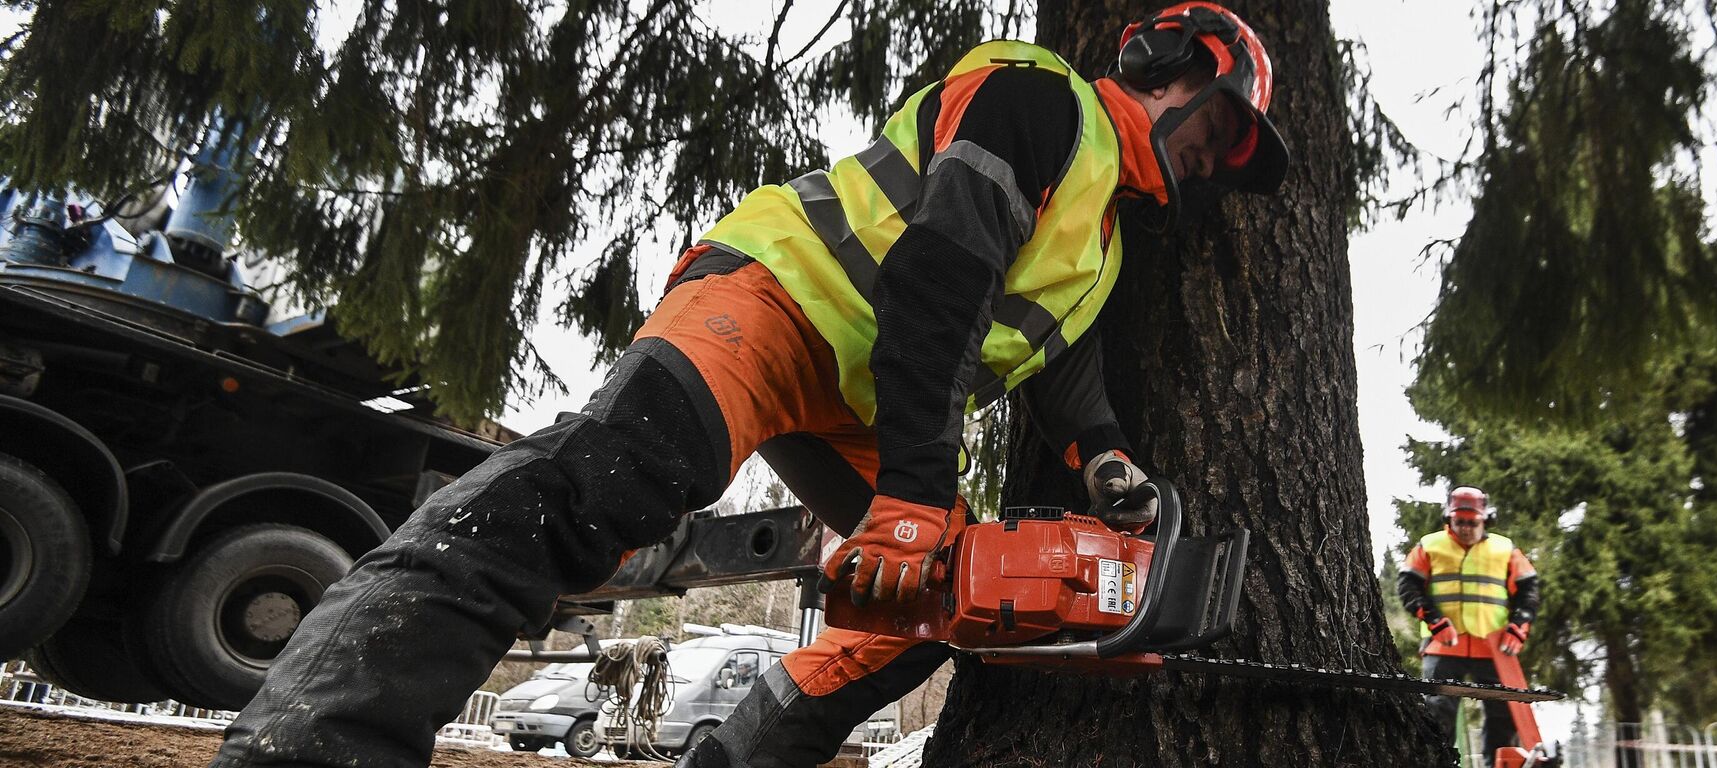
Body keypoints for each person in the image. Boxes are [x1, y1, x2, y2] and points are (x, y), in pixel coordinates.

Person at [208, 3, 1288, 767]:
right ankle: (315, 748)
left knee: (918, 617)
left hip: (872, 402)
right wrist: (915, 489)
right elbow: (942, 275)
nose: (1224, 158)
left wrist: (1104, 464)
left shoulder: (1102, 246)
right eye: (1228, 125)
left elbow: (1061, 374)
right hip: (773, 305)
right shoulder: (1040, 100)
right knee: (588, 492)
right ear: (1173, 61)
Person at [1397, 486, 1543, 764]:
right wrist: (1434, 620)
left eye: (1472, 522)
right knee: (1436, 714)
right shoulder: (1429, 545)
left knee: (1504, 716)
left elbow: (1529, 590)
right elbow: (1408, 586)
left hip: (1495, 649)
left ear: (1485, 520)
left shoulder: (1504, 548)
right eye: (1459, 522)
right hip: (1443, 645)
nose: (1465, 528)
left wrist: (1519, 625)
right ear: (1449, 519)